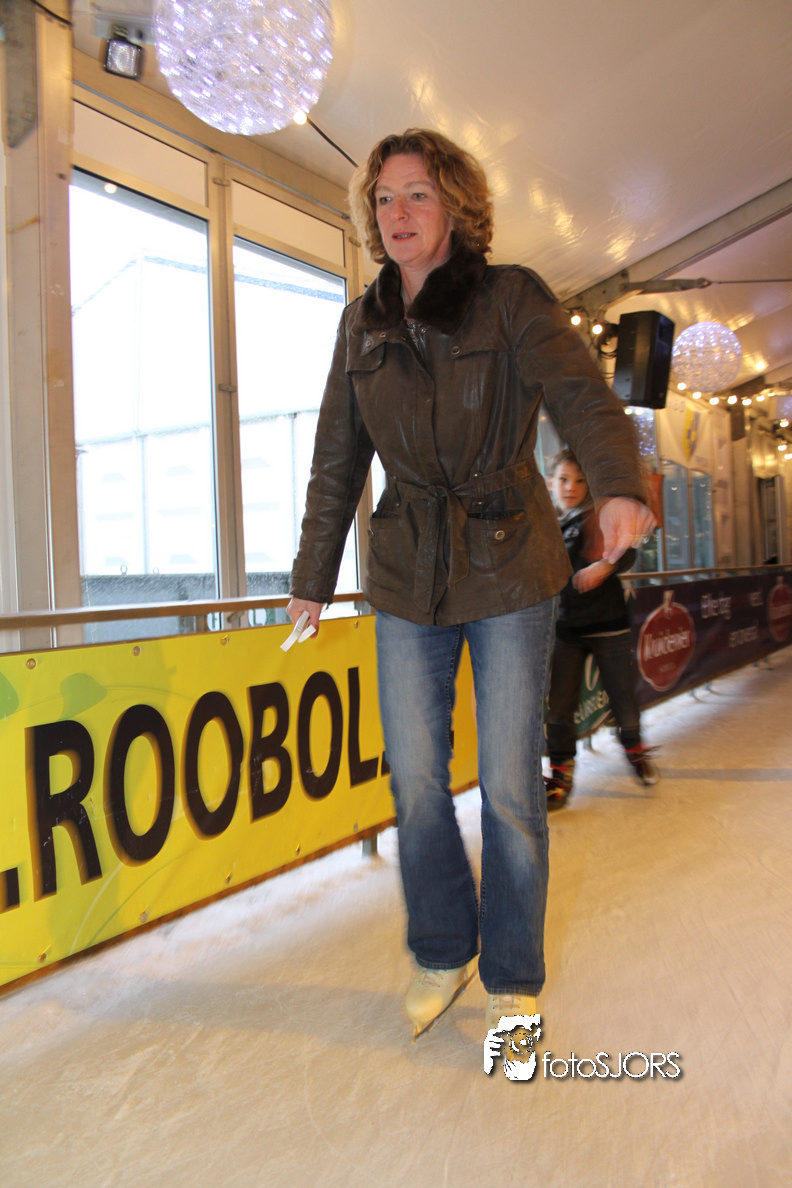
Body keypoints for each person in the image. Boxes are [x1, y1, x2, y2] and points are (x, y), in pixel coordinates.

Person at [286, 128, 655, 1039]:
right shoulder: (361, 322)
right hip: (406, 570)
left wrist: (616, 483)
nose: (398, 212)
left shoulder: (508, 296)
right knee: (416, 780)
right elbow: (336, 459)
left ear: (454, 204)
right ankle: (443, 949)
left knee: (509, 787)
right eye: (384, 198)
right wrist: (311, 576)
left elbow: (582, 394)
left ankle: (512, 971)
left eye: (417, 193)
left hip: (509, 565)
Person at [544, 448, 658, 810]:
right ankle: (560, 774)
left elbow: (629, 551)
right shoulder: (547, 527)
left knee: (622, 697)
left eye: (579, 480)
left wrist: (605, 566)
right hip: (567, 629)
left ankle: (635, 749)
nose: (571, 487)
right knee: (559, 707)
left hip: (608, 627)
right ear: (550, 482)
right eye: (564, 479)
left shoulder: (600, 514)